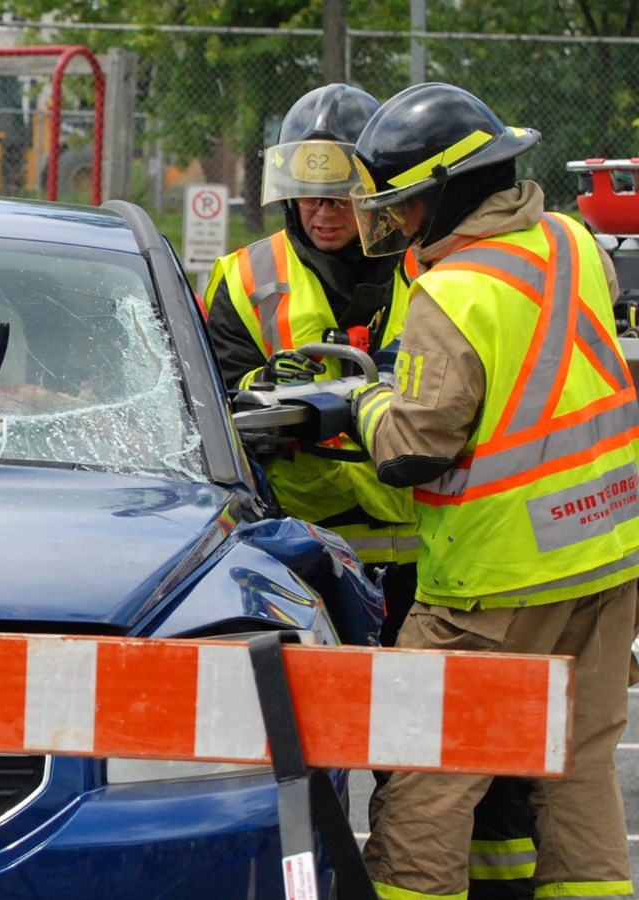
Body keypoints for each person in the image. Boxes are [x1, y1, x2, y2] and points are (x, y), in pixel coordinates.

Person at [205, 83, 538, 899]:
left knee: (457, 753)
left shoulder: (438, 263)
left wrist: (364, 396)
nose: (322, 214)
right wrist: (274, 402)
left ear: (379, 194)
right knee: (303, 753)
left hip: (435, 556)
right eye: (307, 197)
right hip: (306, 565)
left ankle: (499, 888)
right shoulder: (243, 278)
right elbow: (214, 398)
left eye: (339, 197)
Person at [349, 82, 639, 900]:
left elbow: (414, 449)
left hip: (496, 578)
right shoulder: (574, 243)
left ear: (449, 192)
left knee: (430, 772)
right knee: (578, 767)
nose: (402, 223)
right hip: (606, 555)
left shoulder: (451, 291)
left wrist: (362, 399)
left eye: (407, 205)